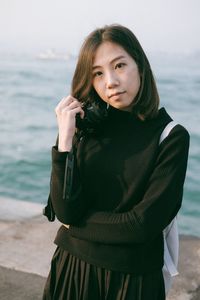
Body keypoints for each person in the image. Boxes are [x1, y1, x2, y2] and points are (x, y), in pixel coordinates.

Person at [42, 24, 190, 300]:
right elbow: (64, 209)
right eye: (97, 73)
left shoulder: (170, 136)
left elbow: (142, 225)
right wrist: (64, 141)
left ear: (141, 66)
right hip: (71, 272)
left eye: (119, 66)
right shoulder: (84, 129)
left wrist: (76, 227)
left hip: (131, 283)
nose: (110, 81)